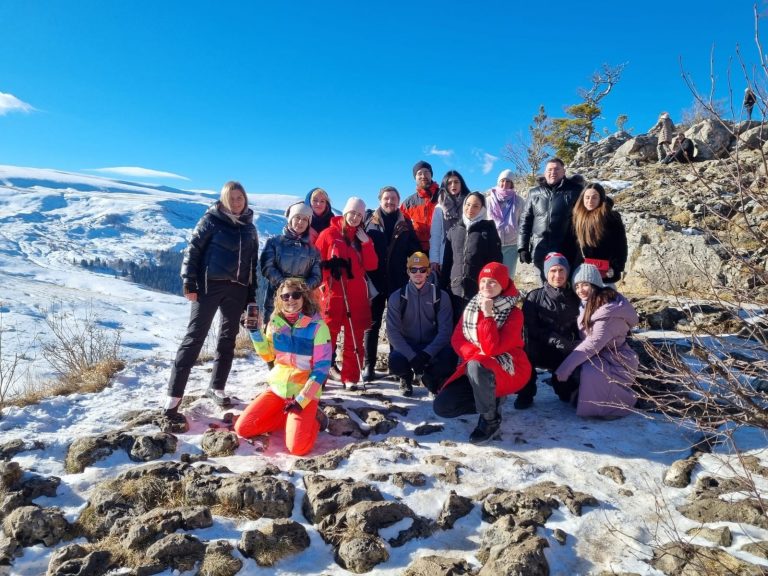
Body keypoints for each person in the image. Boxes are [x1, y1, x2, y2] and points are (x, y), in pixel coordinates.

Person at [163, 181, 259, 427]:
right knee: (194, 338)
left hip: (237, 289)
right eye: (232, 198)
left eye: (240, 198)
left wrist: (251, 296)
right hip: (209, 286)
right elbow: (193, 250)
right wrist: (189, 281)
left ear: (245, 200)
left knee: (228, 339)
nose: (236, 202)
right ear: (224, 200)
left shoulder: (250, 228)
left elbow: (251, 266)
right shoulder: (211, 220)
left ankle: (217, 387)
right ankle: (173, 398)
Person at [433, 263, 532, 444]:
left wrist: (488, 315)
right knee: (442, 407)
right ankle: (492, 400)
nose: (486, 286)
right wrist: (477, 354)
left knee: (477, 365)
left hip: (508, 367)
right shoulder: (472, 307)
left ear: (503, 285)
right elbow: (458, 339)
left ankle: (490, 420)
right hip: (476, 366)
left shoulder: (514, 313)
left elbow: (492, 349)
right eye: (483, 281)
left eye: (493, 282)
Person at [235, 278, 331, 456]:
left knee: (297, 448)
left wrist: (301, 401)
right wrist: (255, 332)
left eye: (295, 295)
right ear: (279, 299)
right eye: (285, 296)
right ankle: (287, 417)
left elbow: (321, 369)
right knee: (243, 428)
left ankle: (316, 419)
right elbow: (268, 355)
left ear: (304, 298)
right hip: (278, 390)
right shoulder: (275, 324)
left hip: (304, 393)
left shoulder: (318, 327)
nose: (290, 300)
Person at [554, 264, 639, 418]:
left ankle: (622, 402)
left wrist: (565, 368)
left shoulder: (608, 311)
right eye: (577, 286)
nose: (580, 290)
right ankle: (582, 395)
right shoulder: (589, 304)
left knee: (584, 371)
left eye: (585, 284)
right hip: (604, 355)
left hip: (617, 361)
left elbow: (592, 344)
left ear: (595, 284)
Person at [315, 197, 378, 388]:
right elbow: (317, 263)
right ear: (345, 212)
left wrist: (366, 244)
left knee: (354, 337)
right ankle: (320, 378)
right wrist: (327, 276)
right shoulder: (328, 234)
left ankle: (350, 377)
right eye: (353, 213)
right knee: (327, 337)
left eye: (359, 214)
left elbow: (372, 265)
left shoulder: (362, 238)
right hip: (334, 292)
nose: (355, 217)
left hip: (356, 293)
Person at [363, 186, 420, 382]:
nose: (390, 202)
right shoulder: (369, 221)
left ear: (398, 201)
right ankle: (368, 365)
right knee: (372, 324)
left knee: (397, 325)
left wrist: (419, 269)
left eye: (394, 199)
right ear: (380, 200)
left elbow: (415, 249)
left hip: (397, 280)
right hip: (374, 280)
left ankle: (397, 366)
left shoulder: (405, 223)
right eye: (387, 199)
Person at [514, 253, 581, 410]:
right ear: (546, 273)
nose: (557, 275)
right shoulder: (534, 296)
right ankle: (526, 392)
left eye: (561, 270)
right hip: (539, 349)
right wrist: (554, 339)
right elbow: (529, 327)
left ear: (567, 272)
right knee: (524, 350)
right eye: (553, 271)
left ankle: (565, 385)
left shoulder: (576, 298)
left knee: (566, 396)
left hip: (565, 351)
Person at [386, 252, 455, 396]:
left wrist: (426, 354)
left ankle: (431, 378)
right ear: (408, 272)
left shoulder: (441, 296)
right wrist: (412, 356)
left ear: (428, 272)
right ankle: (406, 377)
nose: (418, 273)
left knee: (449, 358)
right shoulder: (397, 297)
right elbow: (392, 333)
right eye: (414, 269)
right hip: (408, 344)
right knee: (395, 363)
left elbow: (445, 331)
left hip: (431, 345)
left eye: (422, 269)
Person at [517, 158, 583, 281]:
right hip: (539, 249)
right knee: (543, 286)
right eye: (549, 169)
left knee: (564, 287)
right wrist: (522, 247)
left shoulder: (575, 191)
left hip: (565, 249)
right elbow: (525, 221)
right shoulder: (534, 193)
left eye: (557, 169)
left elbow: (584, 219)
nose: (553, 172)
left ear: (564, 172)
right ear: (545, 172)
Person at [442, 192, 503, 324]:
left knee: (474, 326)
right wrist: (442, 286)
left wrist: (492, 290)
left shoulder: (488, 231)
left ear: (482, 209)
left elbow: (496, 264)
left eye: (475, 206)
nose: (470, 209)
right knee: (454, 326)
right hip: (455, 289)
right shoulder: (454, 231)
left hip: (477, 290)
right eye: (468, 205)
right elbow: (447, 262)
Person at [260, 201, 322, 330]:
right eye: (297, 218)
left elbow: (317, 276)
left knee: (300, 335)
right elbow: (267, 267)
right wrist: (284, 285)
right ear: (290, 219)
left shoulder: (313, 250)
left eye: (305, 219)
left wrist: (302, 288)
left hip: (303, 300)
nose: (300, 222)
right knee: (273, 333)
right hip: (276, 297)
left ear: (309, 223)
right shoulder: (274, 243)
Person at [565, 182, 628, 285]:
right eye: (587, 197)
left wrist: (615, 268)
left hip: (605, 272)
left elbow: (620, 246)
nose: (590, 201)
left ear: (601, 199)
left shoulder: (611, 218)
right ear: (582, 199)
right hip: (580, 272)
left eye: (594, 197)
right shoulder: (574, 218)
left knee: (605, 300)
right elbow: (568, 245)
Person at [429, 170, 470, 274]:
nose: (453, 185)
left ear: (461, 184)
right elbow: (435, 235)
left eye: (456, 182)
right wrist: (434, 259)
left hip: (466, 253)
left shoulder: (469, 205)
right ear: (445, 185)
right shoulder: (439, 208)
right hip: (445, 253)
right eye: (449, 183)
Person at [486, 169, 523, 279]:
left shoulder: (519, 201)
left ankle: (507, 296)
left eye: (508, 181)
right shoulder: (488, 200)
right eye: (502, 180)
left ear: (512, 184)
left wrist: (522, 245)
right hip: (492, 244)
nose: (505, 184)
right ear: (498, 182)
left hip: (511, 245)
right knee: (492, 275)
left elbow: (522, 223)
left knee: (507, 276)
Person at [400, 160, 440, 254]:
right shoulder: (408, 203)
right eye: (419, 173)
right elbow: (402, 227)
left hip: (440, 249)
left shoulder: (444, 196)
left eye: (426, 172)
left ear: (431, 175)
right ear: (415, 177)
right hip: (416, 251)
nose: (423, 176)